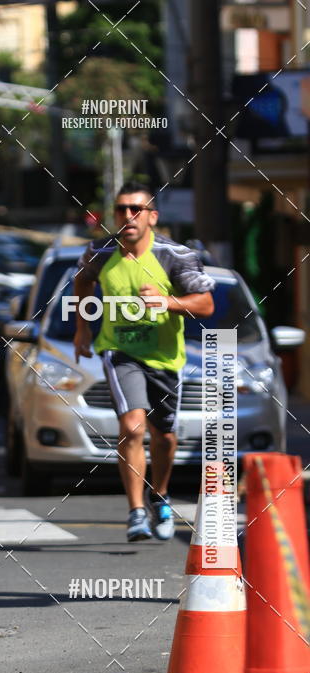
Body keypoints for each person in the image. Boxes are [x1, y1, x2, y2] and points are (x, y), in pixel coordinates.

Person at [73, 180, 215, 542]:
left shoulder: (175, 256)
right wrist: (83, 330)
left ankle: (159, 495)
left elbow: (205, 305)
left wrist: (167, 302)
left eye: (136, 209)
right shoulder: (101, 252)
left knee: (164, 437)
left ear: (152, 217)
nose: (128, 216)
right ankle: (136, 511)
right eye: (121, 209)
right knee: (133, 427)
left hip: (166, 357)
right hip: (120, 351)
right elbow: (82, 282)